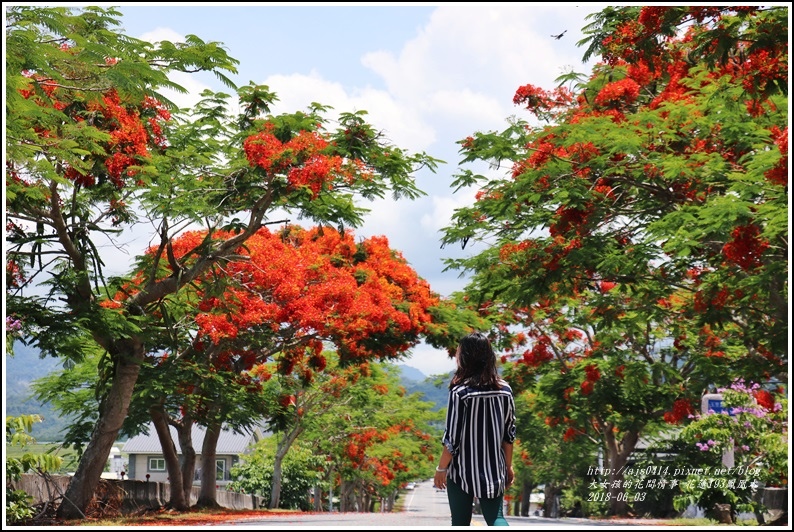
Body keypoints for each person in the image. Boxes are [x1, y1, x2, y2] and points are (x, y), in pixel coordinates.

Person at [433, 332, 517, 526]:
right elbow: (509, 435)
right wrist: (508, 466)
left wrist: (441, 469)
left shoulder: (460, 392)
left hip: (462, 471)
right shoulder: (505, 390)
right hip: (494, 469)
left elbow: (452, 439)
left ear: (465, 357)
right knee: (496, 518)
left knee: (460, 522)